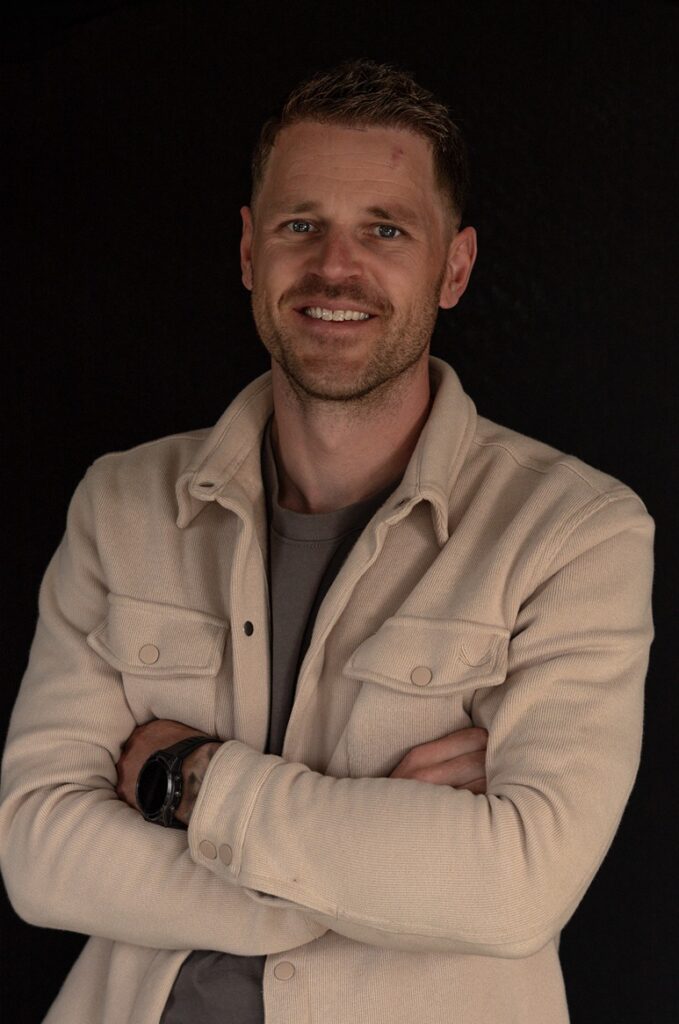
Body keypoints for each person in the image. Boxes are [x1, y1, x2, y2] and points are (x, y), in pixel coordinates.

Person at [0, 60, 654, 1024]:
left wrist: (189, 780)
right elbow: (37, 852)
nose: (334, 268)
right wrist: (358, 879)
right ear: (247, 252)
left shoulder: (576, 533)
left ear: (454, 268)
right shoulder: (121, 502)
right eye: (299, 226)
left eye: (385, 230)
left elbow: (516, 888)